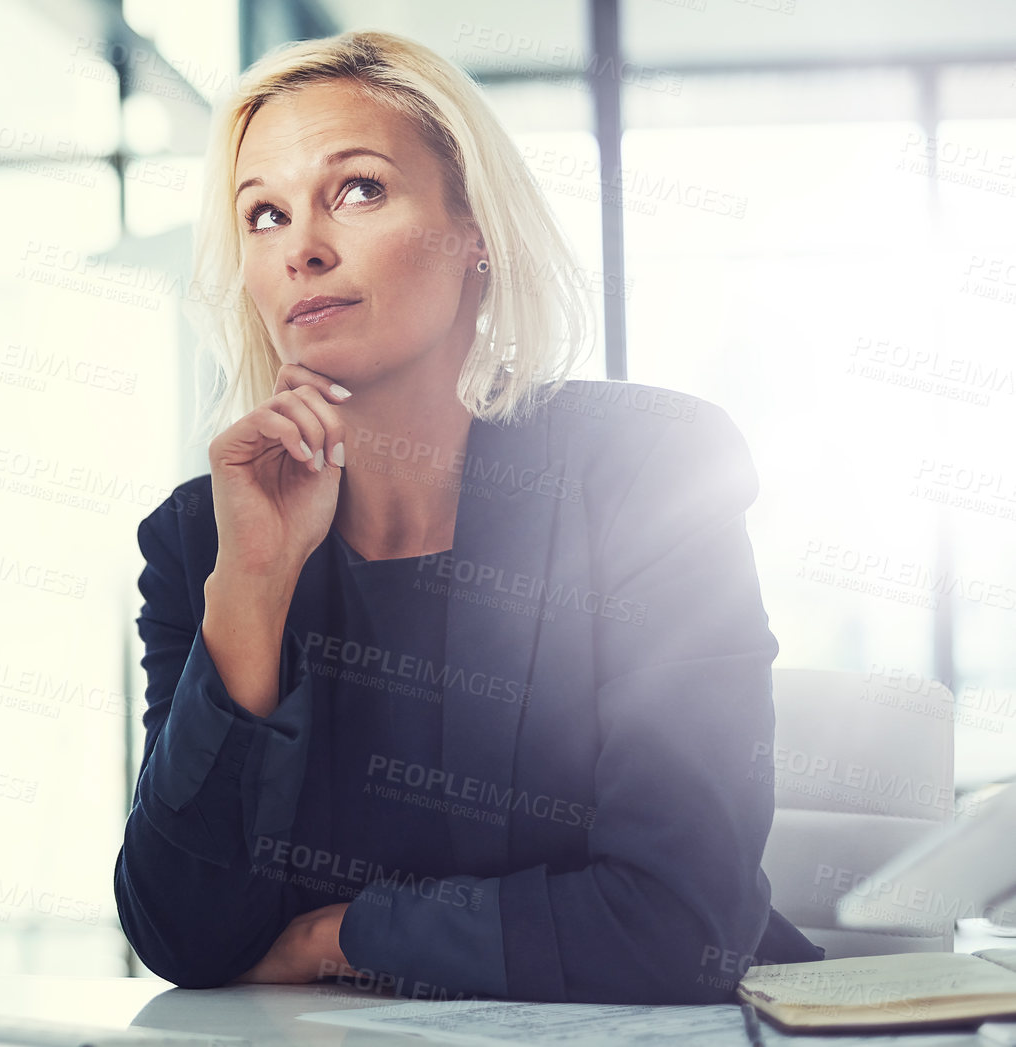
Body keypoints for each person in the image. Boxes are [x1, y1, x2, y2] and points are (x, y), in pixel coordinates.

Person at [111, 29, 824, 1003]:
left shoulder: (649, 471)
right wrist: (253, 585)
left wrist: (343, 935)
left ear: (474, 228)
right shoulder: (204, 537)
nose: (304, 248)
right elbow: (182, 934)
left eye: (358, 190)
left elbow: (680, 921)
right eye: (264, 214)